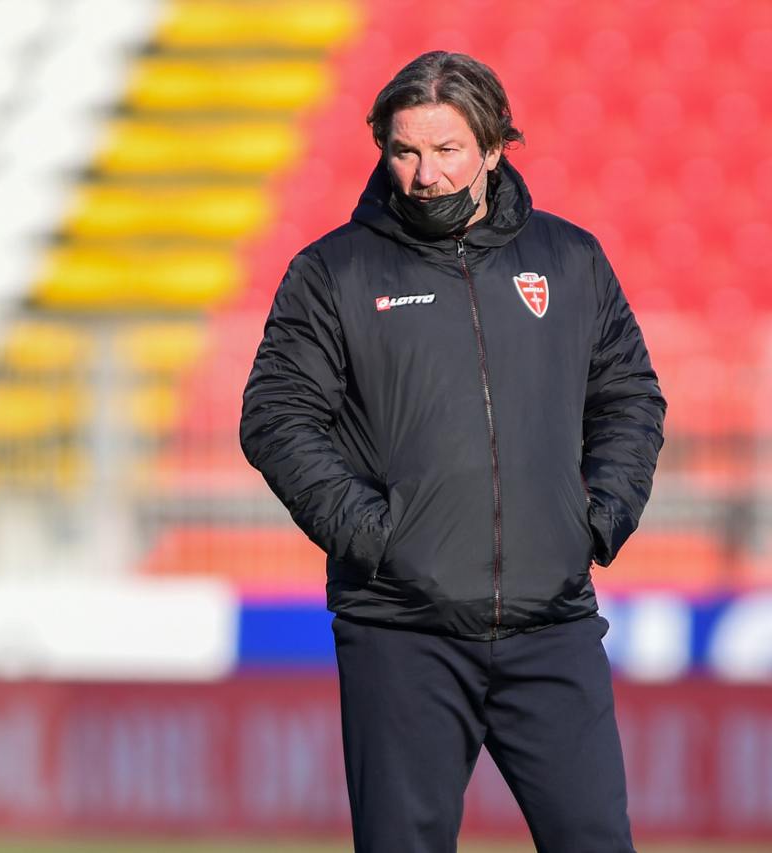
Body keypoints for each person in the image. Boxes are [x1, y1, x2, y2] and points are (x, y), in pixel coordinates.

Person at [239, 51, 665, 852]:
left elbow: (629, 396)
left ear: (494, 147)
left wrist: (597, 516)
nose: (424, 174)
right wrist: (375, 536)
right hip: (402, 632)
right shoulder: (333, 271)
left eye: (446, 149)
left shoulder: (569, 259)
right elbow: (275, 415)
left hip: (552, 623)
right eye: (404, 151)